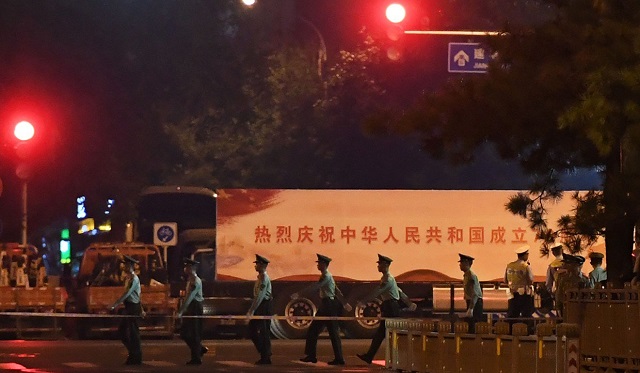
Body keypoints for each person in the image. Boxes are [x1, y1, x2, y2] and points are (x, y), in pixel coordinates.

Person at [295, 254, 351, 365]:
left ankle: (339, 359)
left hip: (329, 305)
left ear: (324, 264)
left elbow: (316, 287)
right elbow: (336, 290)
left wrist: (299, 294)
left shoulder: (326, 276)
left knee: (332, 332)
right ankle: (311, 355)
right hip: (326, 304)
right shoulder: (326, 276)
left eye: (319, 263)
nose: (318, 265)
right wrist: (344, 303)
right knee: (314, 330)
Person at [356, 254, 400, 365]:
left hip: (391, 307)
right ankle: (370, 356)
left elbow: (378, 292)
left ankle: (396, 359)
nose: (378, 266)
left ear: (385, 265)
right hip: (389, 306)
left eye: (380, 264)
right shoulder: (385, 278)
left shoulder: (388, 279)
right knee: (381, 334)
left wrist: (364, 301)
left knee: (391, 334)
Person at [109, 255, 143, 365]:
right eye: (125, 264)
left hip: (133, 307)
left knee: (134, 333)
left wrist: (115, 304)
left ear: (132, 266)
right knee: (122, 332)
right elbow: (137, 295)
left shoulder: (134, 278)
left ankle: (136, 357)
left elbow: (128, 293)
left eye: (128, 265)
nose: (125, 266)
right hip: (129, 306)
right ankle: (133, 353)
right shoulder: (128, 278)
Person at [177, 258, 207, 365]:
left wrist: (181, 311)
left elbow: (190, 297)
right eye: (186, 266)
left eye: (188, 266)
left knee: (194, 333)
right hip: (190, 307)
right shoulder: (190, 279)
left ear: (193, 268)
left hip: (195, 307)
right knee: (185, 333)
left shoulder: (195, 280)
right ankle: (200, 349)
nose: (186, 268)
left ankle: (196, 358)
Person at [246, 254, 273, 365]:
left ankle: (266, 357)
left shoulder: (264, 278)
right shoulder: (260, 277)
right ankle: (265, 352)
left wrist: (251, 310)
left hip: (264, 306)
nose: (255, 266)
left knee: (264, 332)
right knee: (252, 330)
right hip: (260, 306)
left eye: (257, 264)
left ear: (262, 265)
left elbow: (260, 296)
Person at [504, 245, 535, 325]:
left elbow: (505, 280)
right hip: (524, 295)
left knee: (512, 315)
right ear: (525, 255)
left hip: (512, 295)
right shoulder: (526, 266)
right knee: (526, 315)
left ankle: (510, 332)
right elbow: (531, 280)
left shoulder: (509, 265)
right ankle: (526, 332)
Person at [458, 253, 483, 332]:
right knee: (469, 325)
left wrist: (471, 308)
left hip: (475, 303)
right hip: (471, 302)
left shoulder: (471, 276)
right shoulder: (466, 275)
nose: (460, 265)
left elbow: (474, 294)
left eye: (461, 263)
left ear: (466, 263)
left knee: (474, 326)